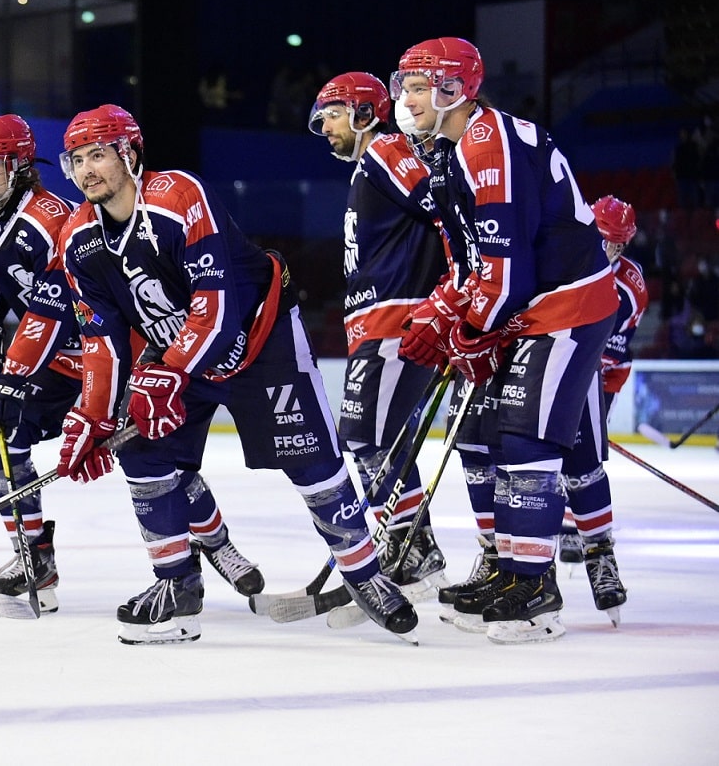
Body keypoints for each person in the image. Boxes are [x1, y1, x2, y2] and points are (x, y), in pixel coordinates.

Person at [55, 104, 417, 645]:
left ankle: (365, 575)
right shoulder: (78, 239)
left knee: (314, 463)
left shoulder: (178, 197)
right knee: (143, 452)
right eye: (78, 159)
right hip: (179, 355)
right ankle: (175, 584)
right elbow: (101, 338)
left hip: (259, 340)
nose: (87, 170)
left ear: (129, 154)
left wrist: (169, 372)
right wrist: (94, 413)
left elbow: (215, 309)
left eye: (99, 155)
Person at [0, 114, 263, 618]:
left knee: (158, 459)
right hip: (50, 362)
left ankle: (215, 541)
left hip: (108, 356)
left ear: (19, 166)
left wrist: (12, 373)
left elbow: (52, 305)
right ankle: (33, 558)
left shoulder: (52, 219)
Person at [393, 37, 619, 643]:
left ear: (453, 89)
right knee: (498, 438)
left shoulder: (487, 144)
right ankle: (512, 569)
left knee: (526, 437)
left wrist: (468, 328)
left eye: (420, 86)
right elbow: (469, 260)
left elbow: (505, 266)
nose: (408, 99)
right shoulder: (453, 147)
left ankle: (535, 585)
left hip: (567, 304)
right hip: (530, 308)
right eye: (406, 86)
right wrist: (442, 315)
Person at [308, 72, 449, 599]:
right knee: (381, 438)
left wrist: (450, 298)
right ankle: (413, 545)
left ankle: (411, 548)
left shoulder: (387, 150)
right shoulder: (372, 163)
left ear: (367, 113)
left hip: (398, 319)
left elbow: (446, 213)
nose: (324, 127)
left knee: (367, 436)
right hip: (378, 320)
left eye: (334, 113)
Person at [554, 195, 641, 625]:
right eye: (601, 240)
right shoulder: (564, 252)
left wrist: (596, 407)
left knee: (582, 465)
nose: (607, 252)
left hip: (598, 377)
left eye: (615, 245)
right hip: (555, 364)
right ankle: (546, 548)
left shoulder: (629, 288)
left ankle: (595, 551)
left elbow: (612, 354)